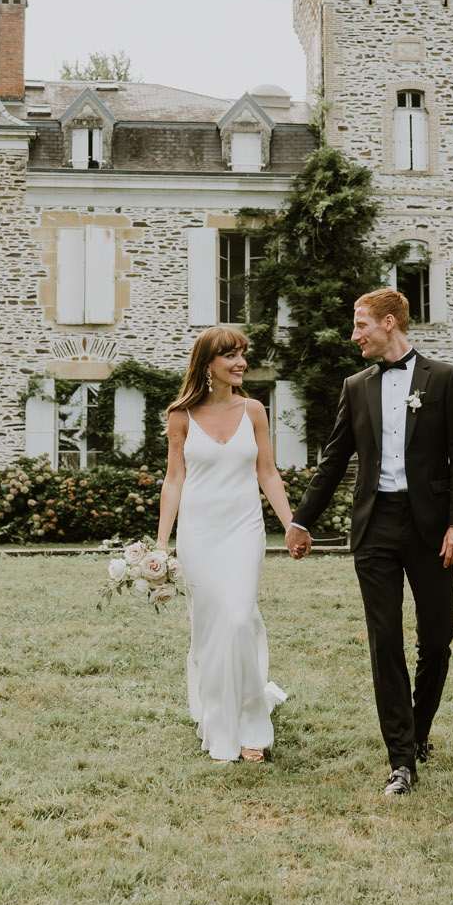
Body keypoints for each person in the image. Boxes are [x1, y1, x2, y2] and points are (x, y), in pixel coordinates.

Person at [287, 289, 453, 797]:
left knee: (437, 637)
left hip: (432, 527)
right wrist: (301, 520)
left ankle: (419, 730)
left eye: (361, 325)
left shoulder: (445, 379)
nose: (355, 336)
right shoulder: (355, 387)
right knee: (384, 638)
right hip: (375, 526)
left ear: (389, 323)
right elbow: (333, 461)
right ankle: (401, 759)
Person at [157, 325, 294, 764]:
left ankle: (253, 723)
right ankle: (219, 720)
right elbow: (174, 479)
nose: (241, 363)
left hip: (242, 530)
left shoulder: (254, 410)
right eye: (231, 356)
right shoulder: (180, 415)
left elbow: (268, 473)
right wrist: (162, 545)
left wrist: (291, 524)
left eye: (242, 355)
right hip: (198, 534)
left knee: (239, 619)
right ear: (208, 364)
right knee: (211, 629)